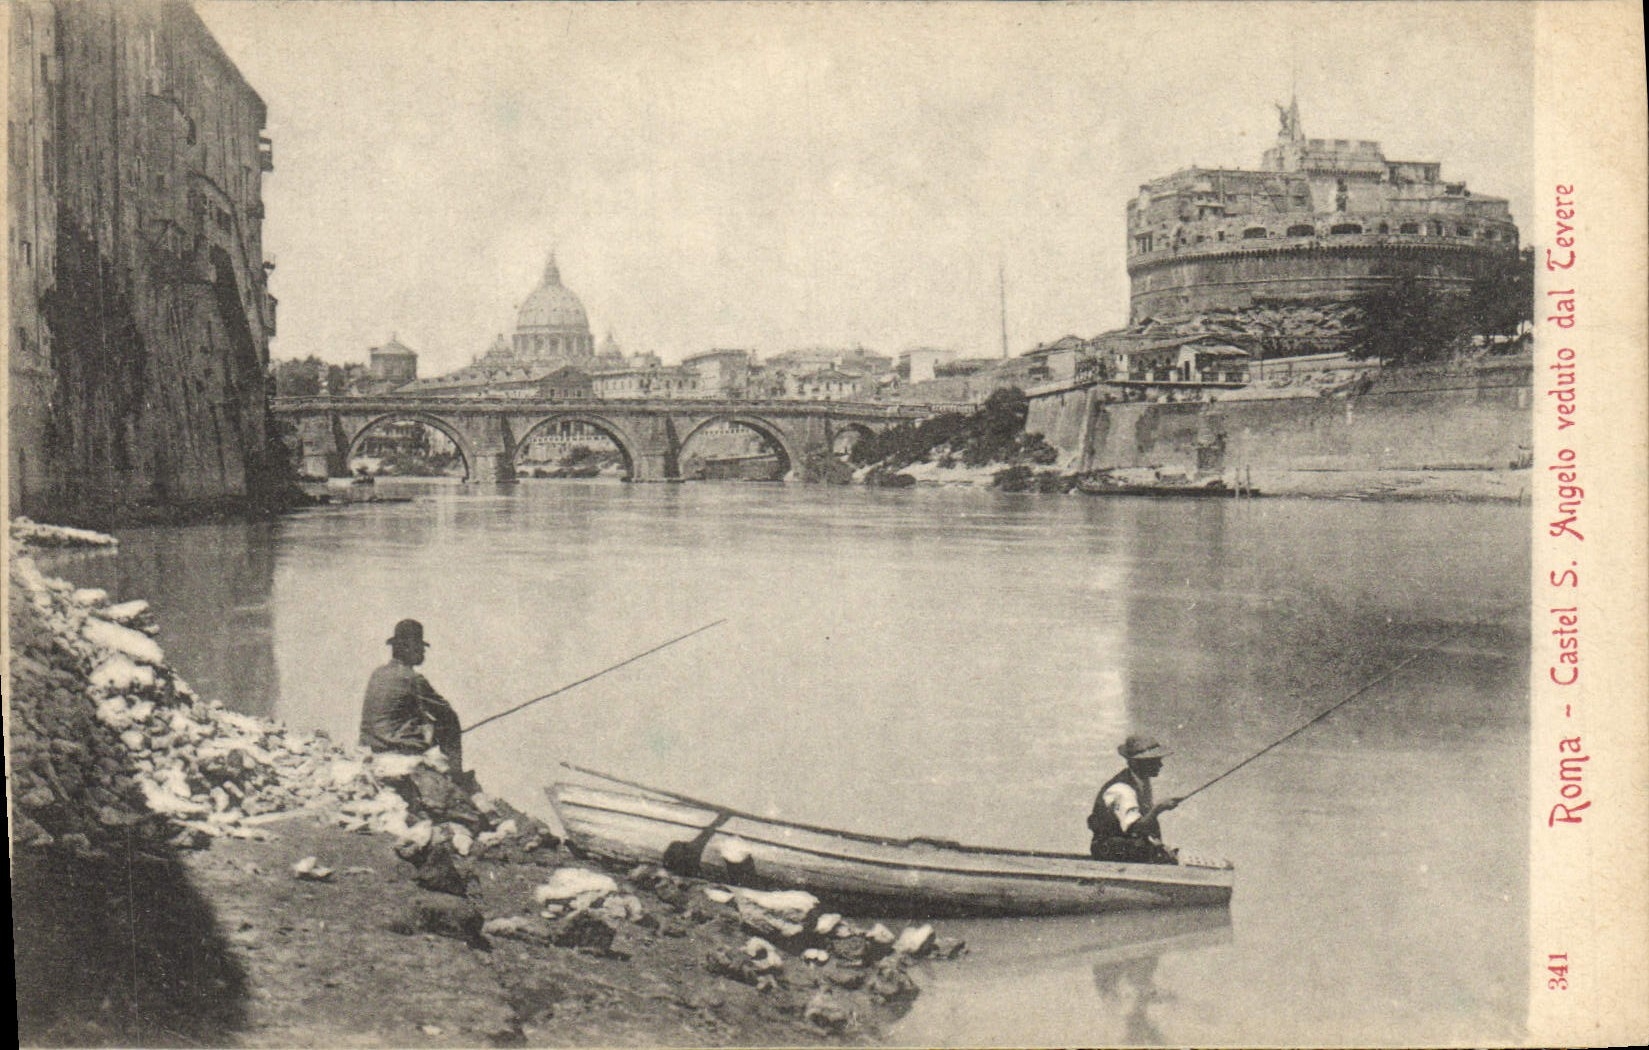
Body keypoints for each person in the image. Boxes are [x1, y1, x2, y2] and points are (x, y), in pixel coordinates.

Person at [360, 619, 465, 776]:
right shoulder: (413, 679)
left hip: (371, 746)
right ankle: (457, 776)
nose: (422, 652)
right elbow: (447, 714)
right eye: (419, 647)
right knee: (449, 722)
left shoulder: (378, 673)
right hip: (397, 748)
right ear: (406, 648)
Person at [1088, 735, 1180, 864]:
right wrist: (1158, 809)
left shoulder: (1141, 781)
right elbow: (1136, 828)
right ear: (1137, 763)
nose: (1160, 764)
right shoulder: (1121, 789)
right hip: (1109, 850)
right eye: (1154, 761)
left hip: (1127, 844)